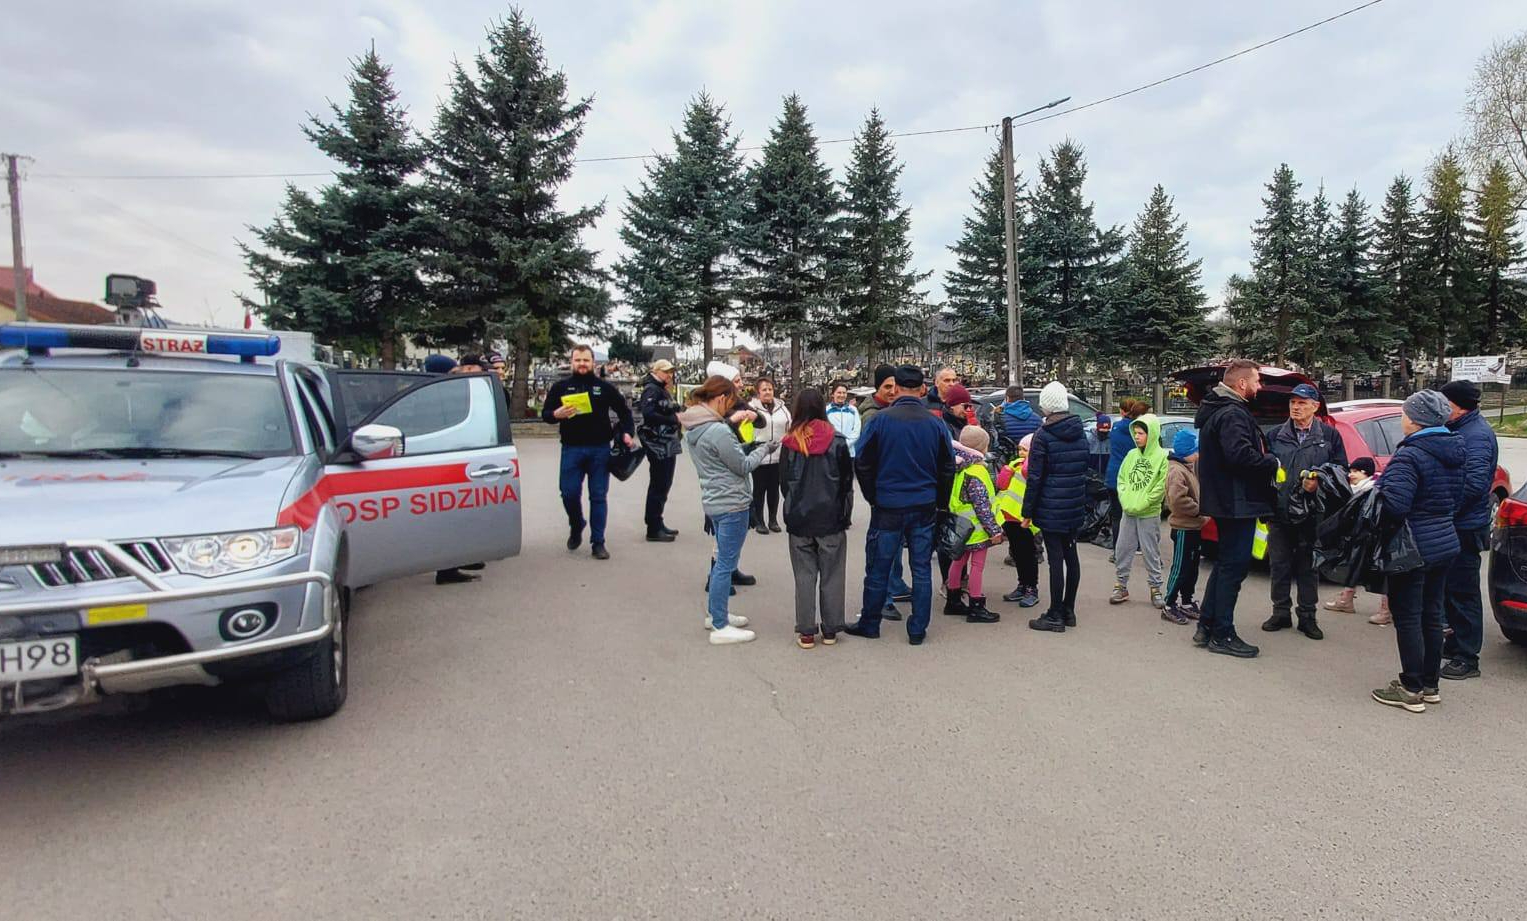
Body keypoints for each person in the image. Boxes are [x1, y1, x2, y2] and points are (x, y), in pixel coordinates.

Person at [846, 366, 956, 645]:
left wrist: (873, 495)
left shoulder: (881, 421)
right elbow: (947, 467)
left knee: (879, 565)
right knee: (921, 567)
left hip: (888, 504)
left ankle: (870, 622)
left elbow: (863, 461)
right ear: (922, 389)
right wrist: (941, 503)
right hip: (923, 504)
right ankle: (917, 628)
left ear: (896, 388)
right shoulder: (935, 423)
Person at [1370, 390, 1466, 712]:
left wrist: (1377, 495)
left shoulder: (1410, 455)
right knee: (1432, 614)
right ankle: (1430, 683)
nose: (1402, 419)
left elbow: (1395, 505)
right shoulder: (1455, 449)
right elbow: (1459, 496)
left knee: (1409, 616)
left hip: (1413, 547)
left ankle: (1411, 688)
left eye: (1404, 413)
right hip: (1445, 542)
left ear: (1414, 419)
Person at [679, 375, 777, 646]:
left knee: (722, 560)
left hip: (714, 500)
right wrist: (764, 449)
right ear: (721, 398)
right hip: (733, 502)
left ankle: (716, 613)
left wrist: (746, 447)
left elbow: (723, 456)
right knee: (725, 564)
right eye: (730, 402)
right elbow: (743, 466)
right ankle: (720, 626)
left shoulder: (697, 427)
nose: (730, 408)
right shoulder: (719, 429)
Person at [1193, 360, 1279, 658]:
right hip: (1236, 501)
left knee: (1226, 565)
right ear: (1241, 384)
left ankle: (1207, 624)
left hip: (1226, 500)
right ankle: (1223, 634)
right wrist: (1272, 463)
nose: (1260, 387)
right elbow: (1239, 456)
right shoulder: (1232, 413)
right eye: (1257, 381)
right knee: (1234, 567)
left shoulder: (1220, 410)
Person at [1262, 382, 1348, 640]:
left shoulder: (1329, 436)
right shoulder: (1275, 434)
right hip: (1280, 511)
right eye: (1292, 403)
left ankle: (1308, 616)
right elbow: (1264, 470)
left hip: (1314, 514)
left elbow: (1342, 470)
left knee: (1308, 567)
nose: (1295, 407)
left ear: (1315, 406)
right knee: (1279, 565)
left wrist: (1318, 481)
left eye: (1301, 403)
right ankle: (1280, 612)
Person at [541, 344, 635, 561]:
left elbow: (624, 412)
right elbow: (546, 414)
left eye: (586, 360)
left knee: (598, 496)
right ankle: (577, 524)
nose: (582, 364)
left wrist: (628, 433)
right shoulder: (561, 387)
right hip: (571, 449)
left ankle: (598, 542)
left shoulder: (604, 387)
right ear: (571, 362)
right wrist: (556, 413)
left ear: (593, 362)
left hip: (599, 449)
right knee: (569, 492)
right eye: (578, 360)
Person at [779, 388, 854, 649]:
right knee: (833, 574)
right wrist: (845, 515)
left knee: (804, 575)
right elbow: (846, 484)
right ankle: (831, 629)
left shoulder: (791, 443)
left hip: (800, 517)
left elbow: (785, 484)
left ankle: (807, 631)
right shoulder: (838, 441)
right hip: (831, 517)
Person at [1440, 379, 1499, 681]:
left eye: (1445, 403)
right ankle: (1454, 644)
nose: (1441, 407)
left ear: (1458, 406)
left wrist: (1442, 509)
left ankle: (1467, 658)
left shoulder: (1476, 436)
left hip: (1464, 525)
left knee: (1463, 592)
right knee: (1451, 589)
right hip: (1456, 523)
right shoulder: (1460, 429)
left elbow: (1474, 485)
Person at [1022, 381, 1091, 633]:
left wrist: (1027, 512)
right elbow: (1084, 465)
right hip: (1073, 504)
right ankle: (1068, 609)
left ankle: (1054, 614)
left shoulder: (1044, 435)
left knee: (1055, 561)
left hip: (1051, 506)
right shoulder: (1079, 430)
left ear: (1046, 407)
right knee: (1071, 557)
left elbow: (1035, 477)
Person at [858, 364, 914, 619]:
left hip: (895, 486)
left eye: (895, 386)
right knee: (884, 544)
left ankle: (896, 583)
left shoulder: (892, 410)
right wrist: (873, 492)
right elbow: (867, 457)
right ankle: (884, 597)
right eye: (886, 387)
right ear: (878, 388)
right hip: (884, 487)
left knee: (896, 538)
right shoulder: (873, 415)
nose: (892, 391)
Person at [944, 425, 1005, 624]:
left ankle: (953, 601)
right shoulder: (978, 473)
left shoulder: (960, 468)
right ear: (982, 448)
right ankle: (976, 605)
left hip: (961, 528)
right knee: (977, 567)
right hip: (978, 530)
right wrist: (994, 531)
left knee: (958, 562)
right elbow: (983, 506)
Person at [1324, 457, 1391, 624]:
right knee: (1355, 565)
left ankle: (1386, 610)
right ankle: (1346, 600)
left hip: (1373, 536)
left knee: (1381, 572)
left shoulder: (1371, 490)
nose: (1350, 474)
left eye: (1355, 471)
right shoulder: (1356, 489)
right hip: (1362, 536)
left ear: (1365, 472)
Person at [1111, 413, 1168, 609]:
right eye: (1135, 433)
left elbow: (1160, 487)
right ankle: (1121, 585)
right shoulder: (1131, 455)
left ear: (1151, 434)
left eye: (1141, 433)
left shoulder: (1162, 457)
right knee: (1123, 549)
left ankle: (1156, 588)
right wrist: (1127, 502)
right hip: (1129, 512)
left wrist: (1142, 503)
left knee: (1151, 552)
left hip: (1149, 513)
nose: (1137, 437)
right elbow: (1122, 480)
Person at [1163, 429, 1206, 625]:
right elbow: (1177, 500)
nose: (1198, 454)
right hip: (1183, 527)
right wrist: (1199, 510)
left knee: (1192, 567)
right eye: (1195, 450)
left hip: (1194, 527)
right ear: (1186, 451)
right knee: (1180, 567)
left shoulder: (1187, 467)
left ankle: (1187, 600)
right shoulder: (1176, 471)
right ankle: (1169, 603)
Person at [637, 359, 683, 542]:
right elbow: (648, 414)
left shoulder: (661, 388)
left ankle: (658, 521)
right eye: (666, 372)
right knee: (659, 483)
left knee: (664, 483)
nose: (669, 375)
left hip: (666, 441)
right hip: (658, 442)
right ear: (656, 371)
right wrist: (673, 418)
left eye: (671, 372)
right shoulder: (652, 389)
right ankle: (653, 527)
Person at [996, 433, 1042, 608]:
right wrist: (1006, 472)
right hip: (1010, 517)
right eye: (1020, 449)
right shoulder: (1014, 464)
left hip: (1026, 519)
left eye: (1025, 450)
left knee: (1029, 554)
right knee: (1018, 553)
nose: (1021, 453)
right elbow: (1001, 484)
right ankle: (1022, 584)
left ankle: (1032, 587)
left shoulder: (1033, 467)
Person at [747, 376, 791, 535]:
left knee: (774, 488)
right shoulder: (751, 408)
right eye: (764, 389)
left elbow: (789, 427)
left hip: (778, 455)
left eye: (770, 389)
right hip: (759, 455)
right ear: (758, 392)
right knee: (759, 489)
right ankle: (759, 520)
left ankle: (773, 519)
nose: (767, 392)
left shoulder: (782, 408)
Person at [1105, 398, 1149, 548]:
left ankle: (1117, 547)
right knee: (1135, 513)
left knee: (1117, 516)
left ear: (1123, 411)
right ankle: (1136, 545)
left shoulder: (1116, 427)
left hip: (1113, 475)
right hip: (1132, 477)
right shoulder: (1140, 432)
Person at [826, 383, 862, 457]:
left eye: (844, 393)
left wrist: (845, 445)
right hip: (832, 453)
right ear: (833, 394)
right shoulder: (826, 410)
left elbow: (856, 431)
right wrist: (835, 446)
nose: (842, 395)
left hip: (849, 453)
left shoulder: (853, 410)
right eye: (839, 393)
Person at [1086, 413, 1113, 478]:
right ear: (1097, 427)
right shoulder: (1090, 439)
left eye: (1107, 430)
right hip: (1092, 477)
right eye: (1102, 430)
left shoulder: (1112, 439)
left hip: (1106, 476)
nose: (1105, 432)